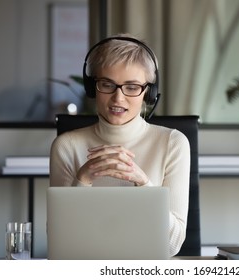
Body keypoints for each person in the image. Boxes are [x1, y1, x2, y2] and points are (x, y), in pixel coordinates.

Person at [49, 34, 190, 257]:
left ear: (148, 93)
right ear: (92, 87)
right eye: (107, 84)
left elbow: (171, 246)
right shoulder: (66, 146)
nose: (118, 98)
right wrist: (83, 179)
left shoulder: (173, 143)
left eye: (132, 87)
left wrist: (143, 183)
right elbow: (62, 245)